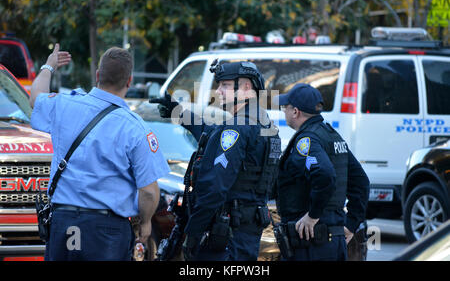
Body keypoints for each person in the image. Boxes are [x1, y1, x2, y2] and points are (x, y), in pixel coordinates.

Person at [30, 44, 169, 261]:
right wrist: (146, 221)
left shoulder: (65, 105)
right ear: (129, 81)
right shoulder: (136, 128)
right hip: (106, 232)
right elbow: (149, 192)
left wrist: (49, 65)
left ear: (97, 75)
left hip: (64, 224)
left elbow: (35, 97)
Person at [151, 61, 281, 261]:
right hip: (245, 233)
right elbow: (212, 134)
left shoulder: (237, 128)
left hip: (226, 237)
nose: (218, 91)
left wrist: (193, 233)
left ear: (246, 87)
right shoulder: (264, 125)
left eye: (225, 85)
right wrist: (179, 112)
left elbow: (214, 189)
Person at [274, 83, 369, 261]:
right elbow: (361, 182)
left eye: (284, 107)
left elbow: (324, 175)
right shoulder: (332, 136)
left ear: (295, 112)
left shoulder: (307, 140)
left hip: (311, 244)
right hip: (333, 240)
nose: (283, 111)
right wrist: (352, 223)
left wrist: (312, 216)